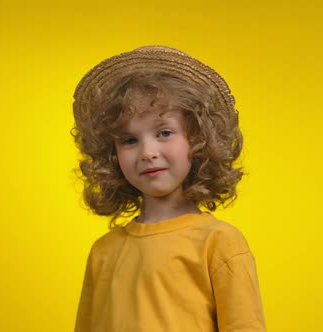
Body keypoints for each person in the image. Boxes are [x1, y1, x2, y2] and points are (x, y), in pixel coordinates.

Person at [72, 45, 266, 332]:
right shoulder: (103, 252)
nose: (148, 152)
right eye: (129, 140)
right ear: (111, 155)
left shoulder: (218, 243)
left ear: (199, 139)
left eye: (164, 132)